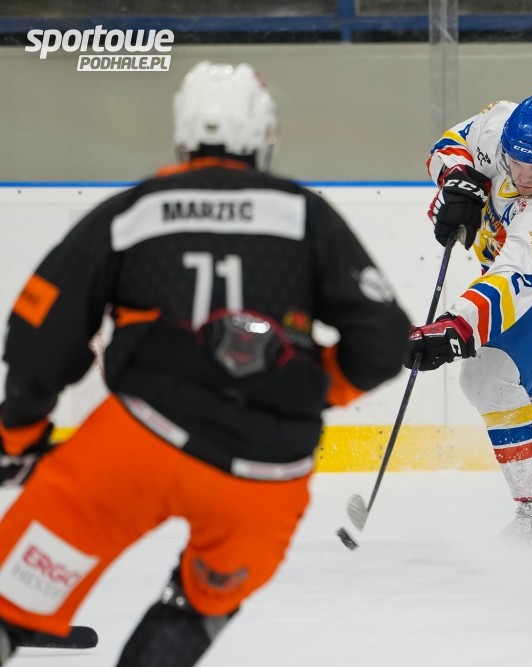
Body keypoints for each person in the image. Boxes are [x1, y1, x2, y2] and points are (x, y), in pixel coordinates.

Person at [0, 61, 410, 665]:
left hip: (137, 447)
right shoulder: (305, 215)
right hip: (265, 473)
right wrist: (304, 387)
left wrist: (20, 435)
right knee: (198, 607)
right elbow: (384, 343)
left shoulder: (133, 209)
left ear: (181, 134)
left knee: (9, 604)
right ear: (264, 137)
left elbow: (41, 335)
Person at [404, 95, 532, 541]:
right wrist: (458, 180)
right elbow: (450, 144)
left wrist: (457, 329)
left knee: (487, 379)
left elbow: (513, 282)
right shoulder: (503, 126)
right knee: (524, 399)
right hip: (512, 278)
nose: (524, 175)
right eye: (516, 163)